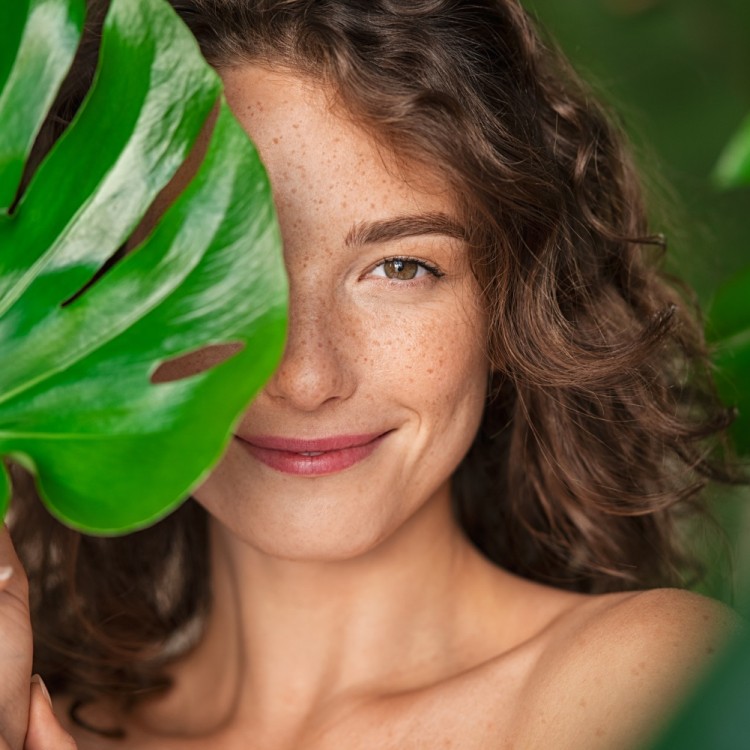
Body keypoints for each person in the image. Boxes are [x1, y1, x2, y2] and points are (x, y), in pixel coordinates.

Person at [0, 0, 743, 748]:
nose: (305, 377)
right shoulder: (33, 721)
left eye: (400, 267)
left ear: (509, 304)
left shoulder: (643, 682)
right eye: (223, 276)